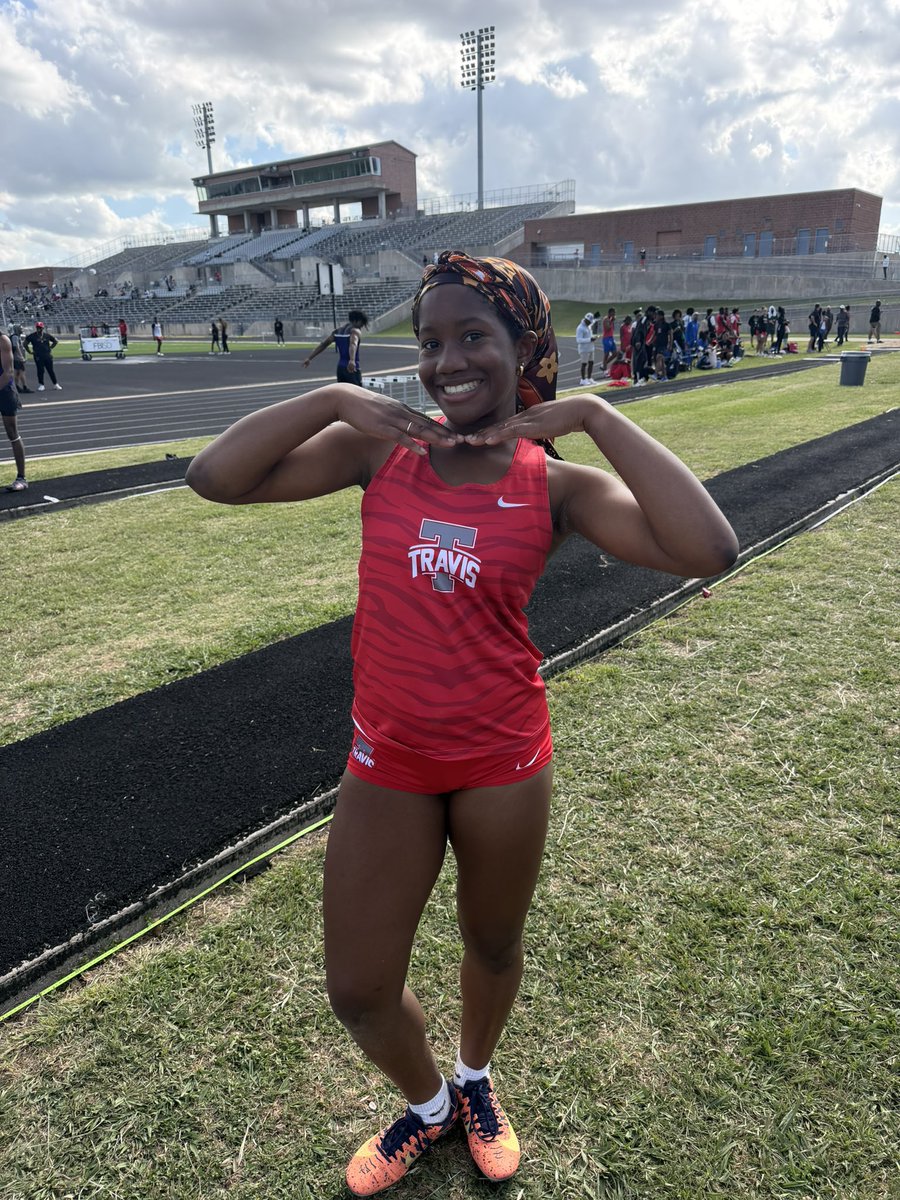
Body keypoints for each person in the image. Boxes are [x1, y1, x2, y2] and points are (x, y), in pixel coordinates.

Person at [186, 250, 738, 1197]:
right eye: (431, 341)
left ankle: (477, 1081)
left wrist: (596, 416)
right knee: (357, 986)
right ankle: (430, 1105)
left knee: (490, 944)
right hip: (388, 760)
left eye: (472, 336)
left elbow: (709, 549)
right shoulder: (382, 452)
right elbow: (215, 478)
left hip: (503, 760)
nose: (447, 361)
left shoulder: (552, 484)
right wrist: (333, 400)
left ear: (524, 348)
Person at [304, 310, 369, 385]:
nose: (362, 326)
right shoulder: (355, 331)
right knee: (357, 394)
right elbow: (353, 344)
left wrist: (309, 358)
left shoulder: (337, 331)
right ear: (357, 320)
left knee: (342, 394)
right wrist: (352, 360)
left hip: (340, 368)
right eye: (362, 323)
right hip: (351, 368)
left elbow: (324, 344)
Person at [1, 329, 27, 490]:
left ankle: (21, 478)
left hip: (5, 391)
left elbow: (8, 373)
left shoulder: (3, 340)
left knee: (12, 433)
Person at [23, 322, 61, 390]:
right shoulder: (32, 336)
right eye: (37, 327)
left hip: (47, 355)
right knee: (40, 370)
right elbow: (25, 344)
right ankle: (41, 384)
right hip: (38, 356)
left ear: (43, 328)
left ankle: (55, 384)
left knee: (50, 370)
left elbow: (55, 341)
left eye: (40, 328)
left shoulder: (47, 335)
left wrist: (51, 347)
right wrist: (29, 351)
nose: (39, 329)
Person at [10, 324, 31, 393]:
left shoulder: (17, 337)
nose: (22, 330)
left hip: (17, 357)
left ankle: (17, 386)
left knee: (18, 372)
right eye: (21, 329)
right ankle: (24, 386)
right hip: (17, 358)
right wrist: (21, 356)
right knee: (21, 372)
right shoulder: (15, 337)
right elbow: (16, 347)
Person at [575, 312, 595, 384]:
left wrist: (592, 338)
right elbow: (578, 340)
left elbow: (589, 336)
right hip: (584, 349)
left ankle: (589, 378)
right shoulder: (580, 328)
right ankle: (583, 379)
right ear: (586, 320)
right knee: (584, 364)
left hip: (591, 348)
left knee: (591, 363)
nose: (590, 323)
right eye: (589, 321)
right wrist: (589, 339)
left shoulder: (589, 327)